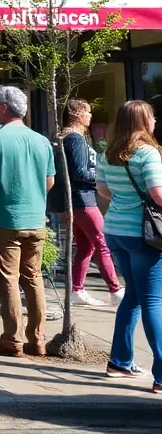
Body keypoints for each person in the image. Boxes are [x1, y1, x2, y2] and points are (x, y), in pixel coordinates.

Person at [0, 86, 55, 358]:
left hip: (4, 219)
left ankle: (12, 339)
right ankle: (37, 339)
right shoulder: (42, 141)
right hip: (36, 219)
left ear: (4, 108)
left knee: (8, 281)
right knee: (33, 278)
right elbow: (49, 182)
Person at [97, 99, 162, 392]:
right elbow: (158, 195)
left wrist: (125, 202)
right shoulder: (148, 153)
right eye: (152, 117)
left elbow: (102, 190)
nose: (155, 122)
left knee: (134, 296)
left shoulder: (107, 153)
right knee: (153, 300)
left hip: (115, 231)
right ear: (143, 121)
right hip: (144, 235)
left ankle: (120, 362)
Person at [61, 99, 123, 306]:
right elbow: (79, 172)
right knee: (102, 244)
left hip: (74, 201)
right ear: (77, 114)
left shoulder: (65, 138)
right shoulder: (75, 139)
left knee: (86, 247)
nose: (90, 116)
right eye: (87, 112)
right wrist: (100, 178)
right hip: (84, 200)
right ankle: (115, 290)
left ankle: (77, 290)